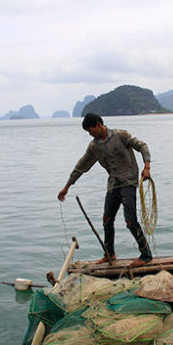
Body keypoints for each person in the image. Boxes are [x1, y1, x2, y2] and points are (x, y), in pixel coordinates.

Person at [58, 113, 153, 267]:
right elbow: (81, 166)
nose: (90, 134)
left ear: (98, 125)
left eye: (91, 130)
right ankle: (109, 253)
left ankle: (146, 254)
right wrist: (66, 187)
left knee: (130, 220)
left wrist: (147, 167)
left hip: (128, 182)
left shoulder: (120, 135)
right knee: (107, 220)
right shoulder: (94, 146)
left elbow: (142, 146)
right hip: (113, 184)